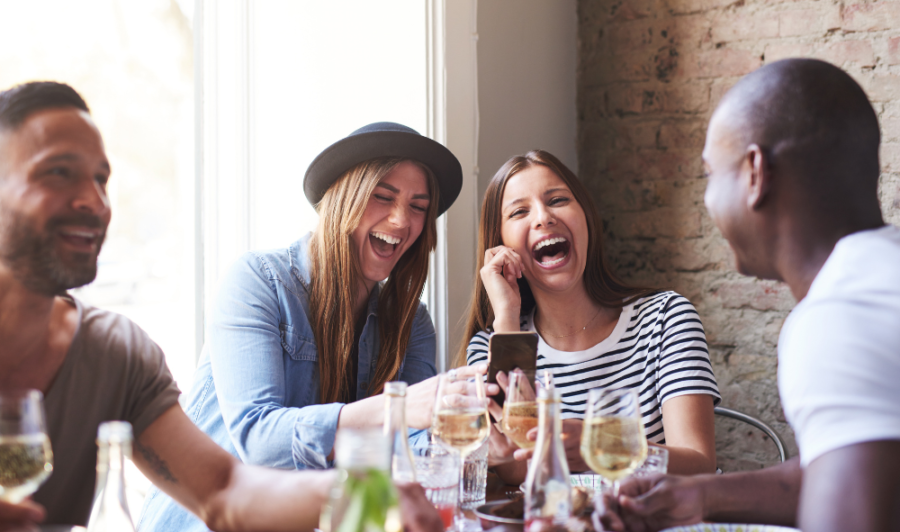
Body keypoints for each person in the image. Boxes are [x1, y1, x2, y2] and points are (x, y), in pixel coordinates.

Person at [0, 81, 443, 532]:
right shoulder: (261, 281)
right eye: (57, 172)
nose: (95, 202)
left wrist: (371, 495)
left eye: (102, 180)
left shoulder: (117, 354)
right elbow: (257, 442)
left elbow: (224, 490)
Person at [140, 121, 489, 531]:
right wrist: (396, 409)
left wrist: (481, 444)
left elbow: (409, 455)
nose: (400, 220)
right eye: (382, 196)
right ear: (342, 199)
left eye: (418, 206)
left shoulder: (411, 322)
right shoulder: (257, 281)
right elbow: (258, 440)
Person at [601, 59, 900, 532]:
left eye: (709, 175)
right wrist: (696, 495)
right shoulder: (883, 273)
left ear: (755, 173)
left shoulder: (840, 318)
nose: (706, 201)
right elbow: (854, 468)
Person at [460, 150, 720, 483]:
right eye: (520, 211)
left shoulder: (666, 318)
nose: (543, 217)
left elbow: (699, 463)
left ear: (585, 218)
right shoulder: (493, 344)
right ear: (502, 245)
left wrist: (594, 446)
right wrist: (507, 317)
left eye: (557, 200)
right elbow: (516, 469)